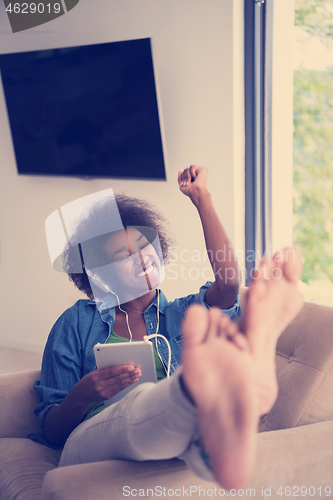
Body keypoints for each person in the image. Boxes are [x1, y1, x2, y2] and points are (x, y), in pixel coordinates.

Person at [30, 166, 303, 490]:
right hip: (90, 446)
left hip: (168, 442)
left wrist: (202, 199)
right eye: (123, 254)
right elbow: (52, 432)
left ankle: (213, 424)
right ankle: (214, 396)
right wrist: (82, 395)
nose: (142, 257)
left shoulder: (183, 314)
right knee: (143, 400)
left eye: (145, 244)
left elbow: (229, 284)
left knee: (176, 419)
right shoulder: (75, 323)